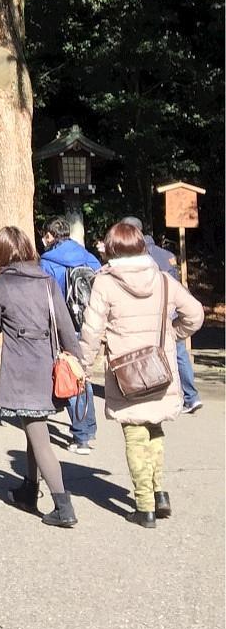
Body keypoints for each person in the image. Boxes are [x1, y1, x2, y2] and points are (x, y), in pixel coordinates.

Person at [78, 219, 204, 527]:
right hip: (160, 368)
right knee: (155, 429)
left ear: (111, 248)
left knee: (135, 435)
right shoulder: (162, 279)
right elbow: (195, 314)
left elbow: (91, 330)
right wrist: (173, 333)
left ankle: (144, 505)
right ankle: (159, 493)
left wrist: (83, 365)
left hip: (126, 373)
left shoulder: (105, 282)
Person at [0, 225, 81, 529]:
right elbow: (65, 325)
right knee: (33, 429)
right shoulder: (46, 281)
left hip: (22, 370)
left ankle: (63, 506)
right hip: (48, 367)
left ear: (0, 253)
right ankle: (28, 488)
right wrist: (78, 360)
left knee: (39, 438)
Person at [38, 216, 101, 453]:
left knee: (70, 375)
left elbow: (45, 298)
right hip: (89, 324)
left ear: (49, 236)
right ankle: (88, 427)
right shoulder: (88, 257)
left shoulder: (47, 262)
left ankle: (81, 435)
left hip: (63, 325)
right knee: (82, 374)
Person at [129, 217, 204, 414]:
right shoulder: (167, 255)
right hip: (171, 309)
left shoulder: (136, 255)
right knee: (178, 353)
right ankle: (191, 396)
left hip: (149, 311)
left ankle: (155, 394)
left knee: (148, 353)